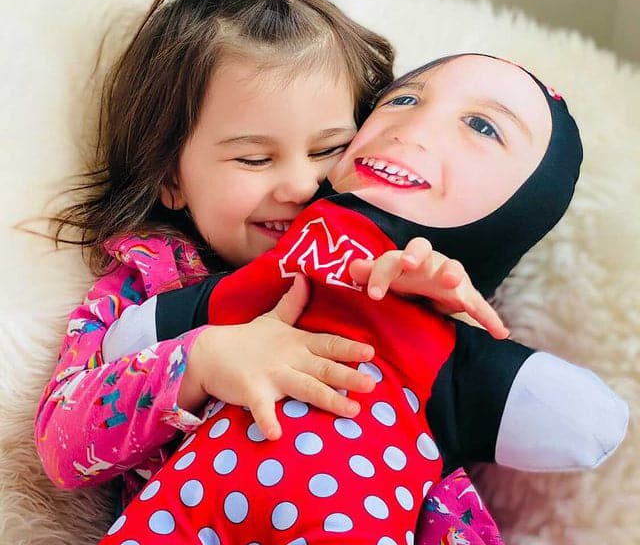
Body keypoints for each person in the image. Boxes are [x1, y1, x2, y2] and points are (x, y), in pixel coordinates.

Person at [34, 0, 506, 516]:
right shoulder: (146, 289)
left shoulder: (374, 264)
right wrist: (201, 361)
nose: (301, 185)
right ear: (171, 177)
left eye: (329, 148)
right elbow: (62, 443)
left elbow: (448, 442)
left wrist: (434, 295)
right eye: (255, 159)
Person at [97, 54, 628, 544]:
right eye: (404, 99)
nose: (412, 127)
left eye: (482, 126)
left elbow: (577, 419)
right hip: (182, 510)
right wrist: (202, 357)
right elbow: (129, 345)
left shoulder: (445, 351)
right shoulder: (269, 269)